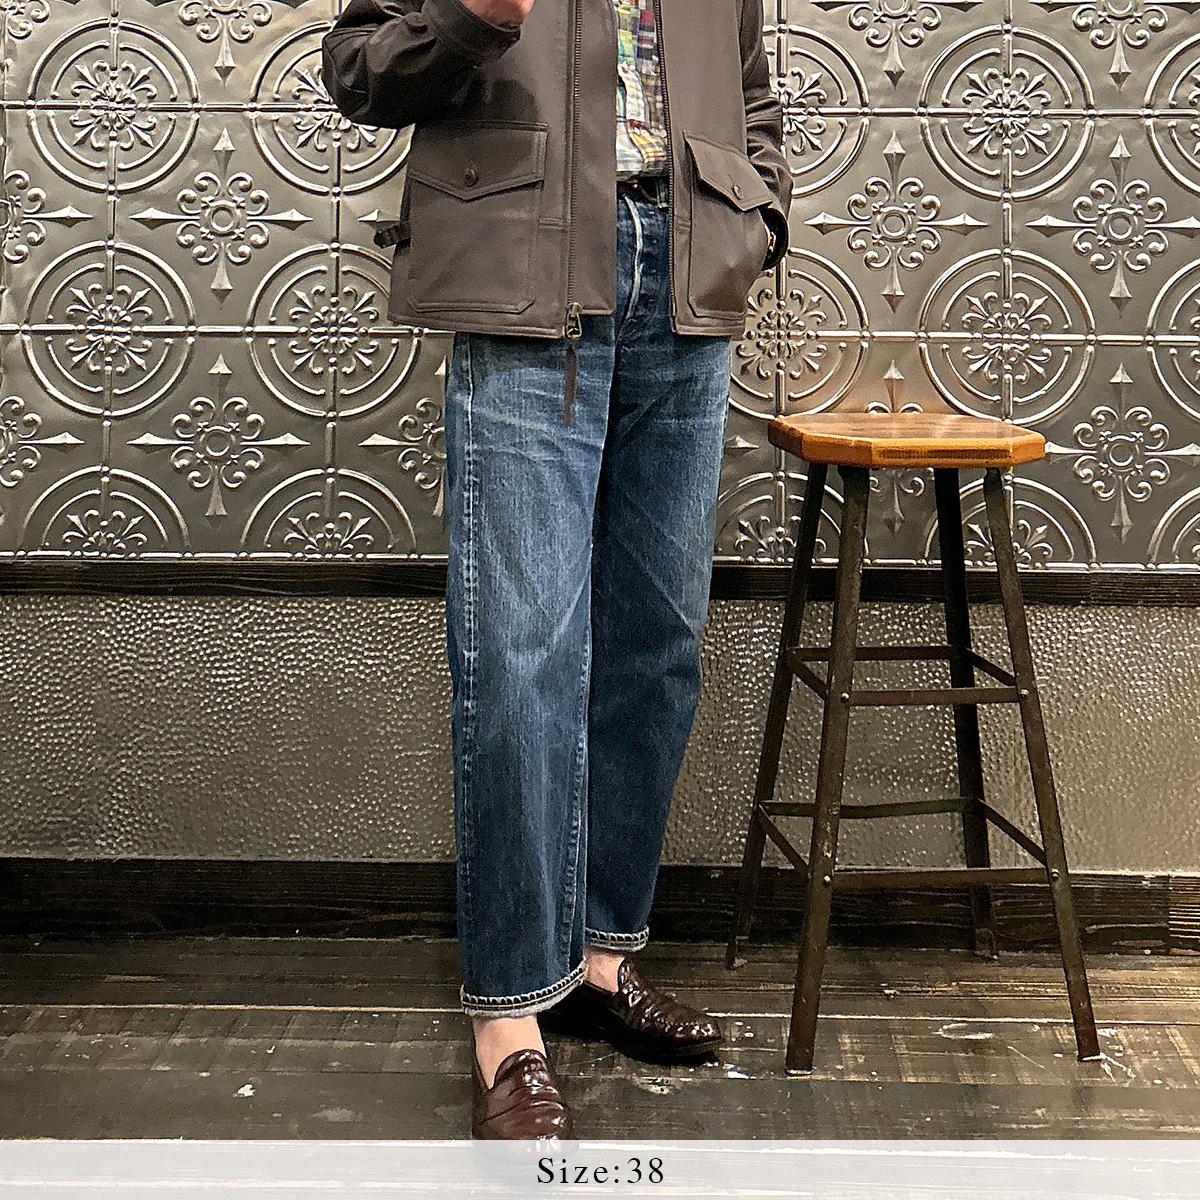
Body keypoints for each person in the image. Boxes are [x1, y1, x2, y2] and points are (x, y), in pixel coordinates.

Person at [322, 0, 791, 1139]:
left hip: (686, 277)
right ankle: (509, 1015)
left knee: (656, 647)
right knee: (521, 656)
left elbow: (752, 95)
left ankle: (600, 960)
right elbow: (359, 70)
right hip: (526, 271)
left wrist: (759, 219)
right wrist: (468, 22)